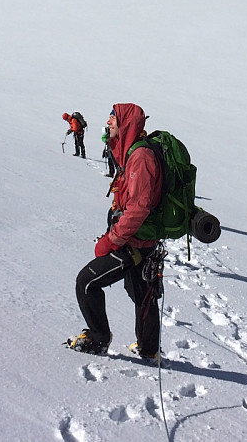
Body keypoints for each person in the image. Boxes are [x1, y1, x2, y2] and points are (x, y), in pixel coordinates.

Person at [68, 103, 163, 360]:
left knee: (86, 282)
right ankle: (149, 350)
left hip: (132, 243)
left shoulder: (140, 158)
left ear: (125, 124)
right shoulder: (130, 152)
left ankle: (98, 339)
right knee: (142, 295)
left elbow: (138, 209)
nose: (108, 122)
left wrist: (110, 241)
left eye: (113, 118)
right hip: (141, 243)